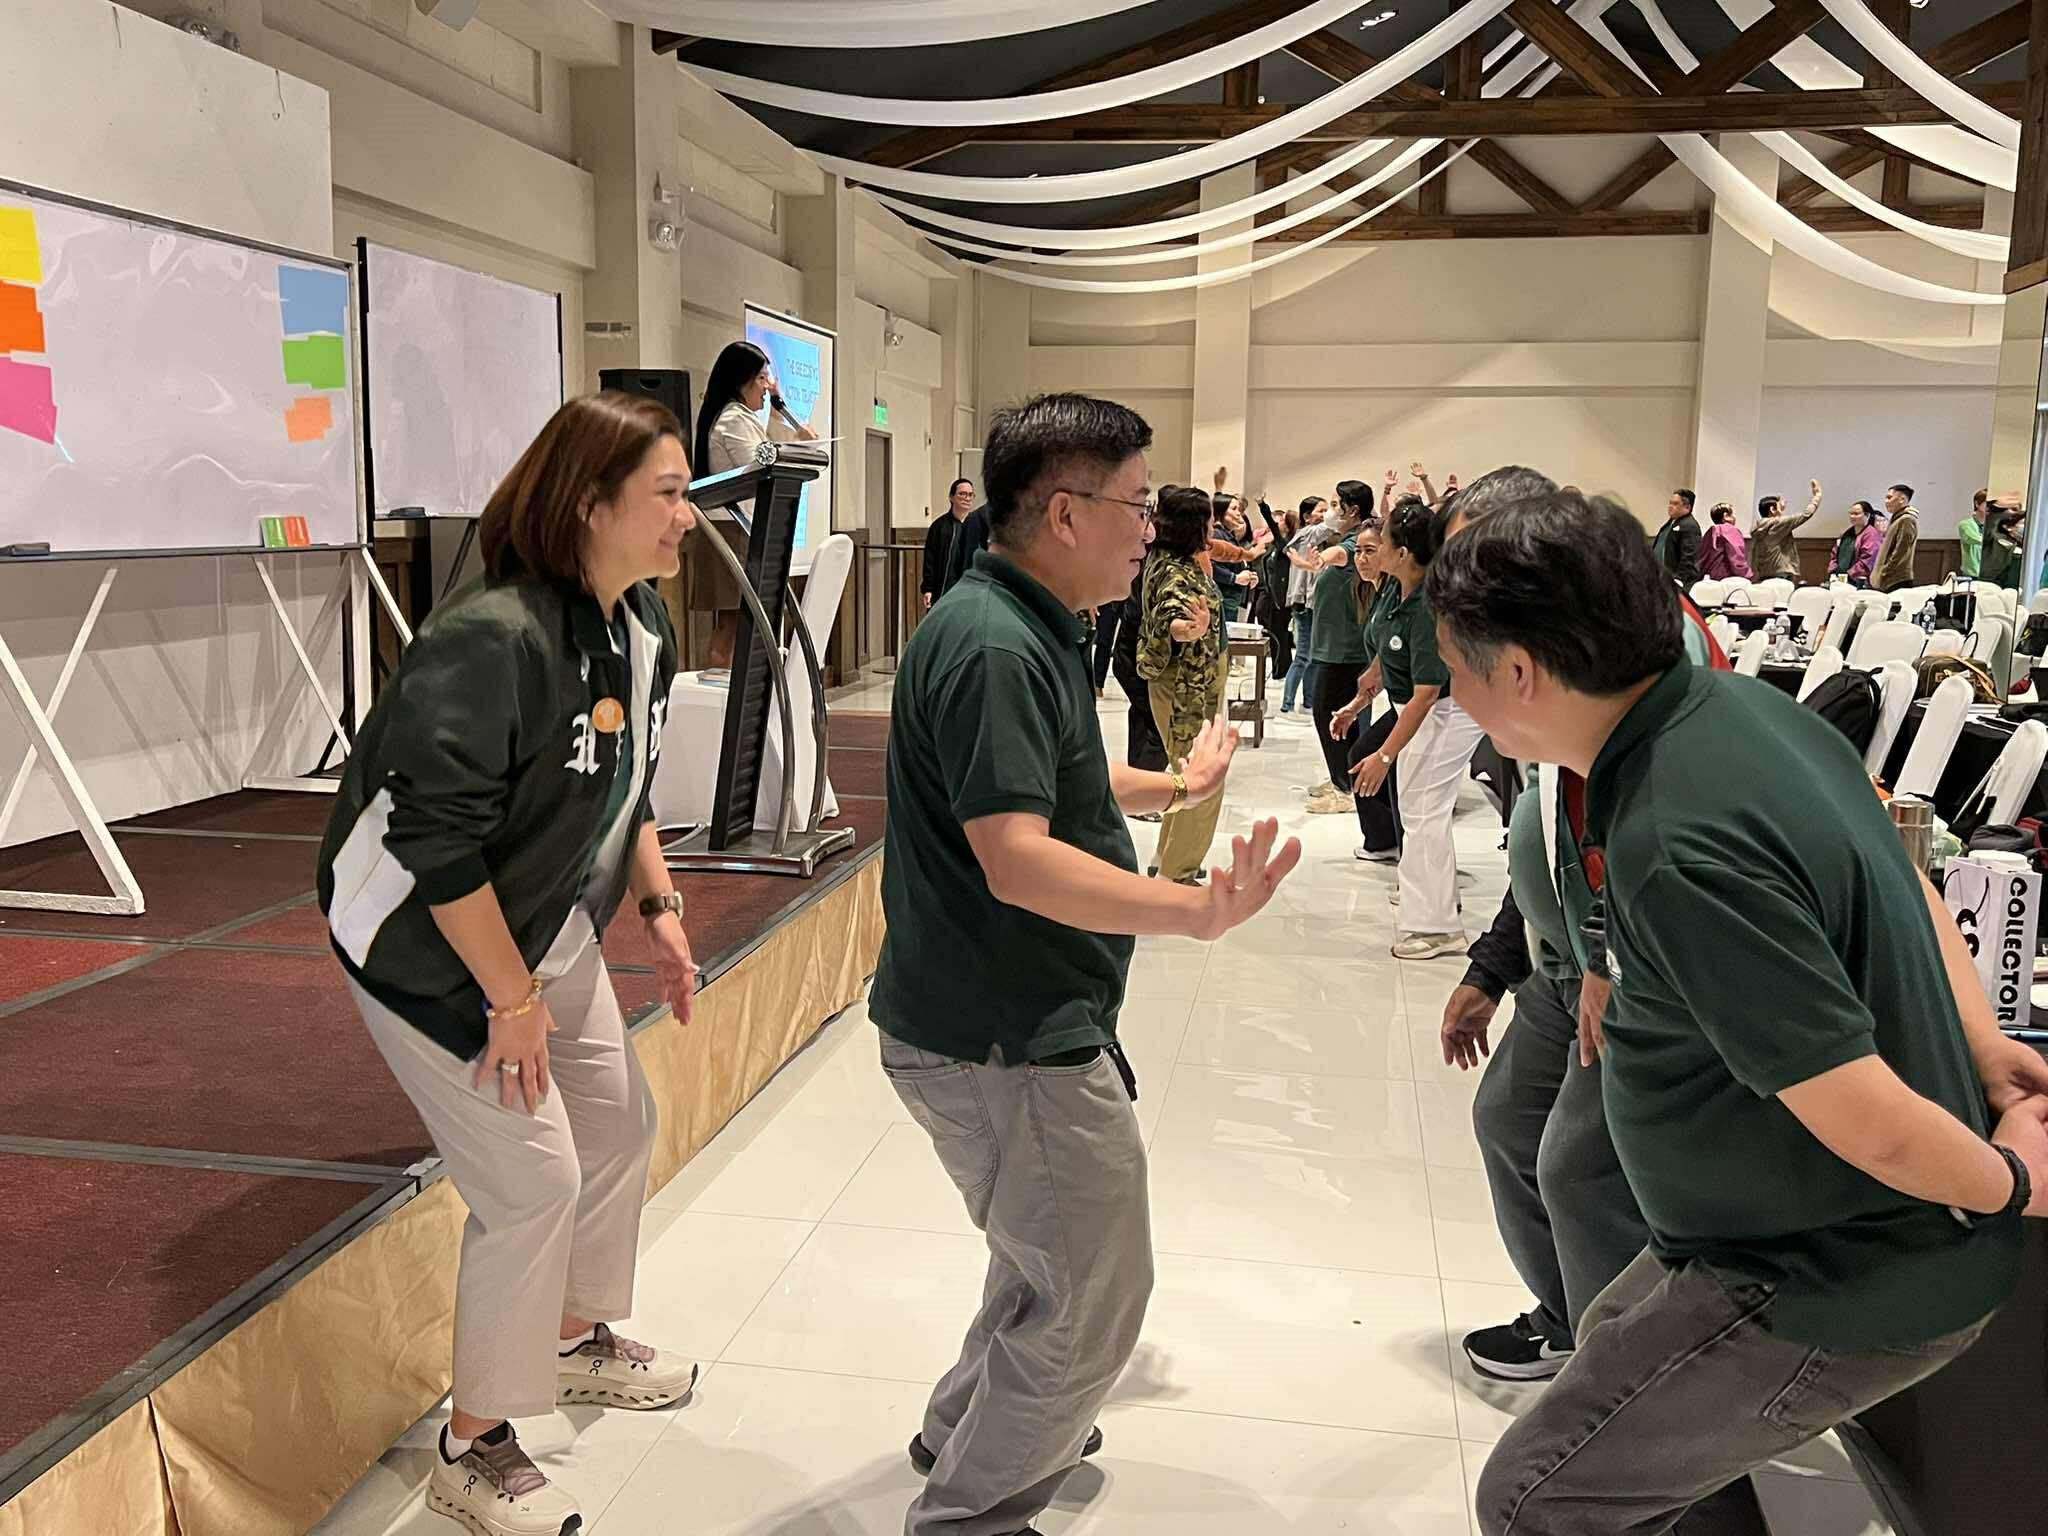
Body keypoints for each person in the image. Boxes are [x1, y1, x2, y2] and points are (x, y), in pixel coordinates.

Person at [1428, 488, 2048, 1536]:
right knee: (1607, 1368)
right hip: (1757, 1232)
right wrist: (1985, 1046)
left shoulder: (1676, 838)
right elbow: (1909, 883)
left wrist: (2011, 1183)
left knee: (1540, 1497)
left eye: (1457, 666)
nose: (1453, 691)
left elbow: (1856, 1109)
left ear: (1520, 672)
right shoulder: (1743, 712)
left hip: (1825, 1268)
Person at [869, 392, 1300, 1536]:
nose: (1148, 532)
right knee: (1093, 1298)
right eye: (1133, 506)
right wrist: (1193, 911)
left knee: (1043, 1262)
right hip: (1003, 1028)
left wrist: (1172, 786)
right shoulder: (995, 642)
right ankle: (972, 1512)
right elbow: (1014, 857)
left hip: (993, 1015)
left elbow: (1046, 773)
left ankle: (966, 1430)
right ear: (1063, 514)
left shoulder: (1018, 618)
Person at [318, 393, 704, 1536]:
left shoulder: (639, 623)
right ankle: (470, 1446)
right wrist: (511, 999)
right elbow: (434, 844)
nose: (687, 519)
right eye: (667, 495)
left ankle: (572, 1336)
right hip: (422, 941)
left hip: (538, 918)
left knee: (618, 1123)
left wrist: (660, 908)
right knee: (532, 1183)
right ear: (589, 504)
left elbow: (628, 785)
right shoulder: (489, 639)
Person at [1434, 464, 1732, 1386]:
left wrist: (1609, 950)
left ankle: (1622, 1381)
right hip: (1560, 957)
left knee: (1581, 1168)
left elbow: (1651, 818)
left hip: (1627, 962)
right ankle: (1573, 1316)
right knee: (1507, 1124)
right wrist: (1493, 965)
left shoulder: (1642, 648)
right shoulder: (1539, 653)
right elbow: (1555, 828)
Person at [1330, 495, 1482, 959]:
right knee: (1420, 809)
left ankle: (1437, 927)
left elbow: (1427, 693)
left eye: (1381, 542)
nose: (1370, 549)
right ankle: (1434, 902)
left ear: (1402, 553)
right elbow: (1387, 649)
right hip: (1416, 706)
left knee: (1423, 810)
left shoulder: (1429, 608)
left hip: (1446, 712)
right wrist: (1360, 699)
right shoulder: (1397, 589)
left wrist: (1384, 755)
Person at [693, 341, 820, 667]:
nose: (768, 386)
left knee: (741, 623)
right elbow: (760, 468)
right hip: (730, 528)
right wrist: (799, 443)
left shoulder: (743, 418)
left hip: (742, 527)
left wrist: (779, 414)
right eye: (762, 378)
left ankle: (733, 688)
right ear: (742, 380)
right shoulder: (732, 419)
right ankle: (722, 690)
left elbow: (765, 452)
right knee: (731, 624)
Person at [1139, 487, 1230, 884]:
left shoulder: (1171, 557)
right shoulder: (1175, 572)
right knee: (1203, 778)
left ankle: (1167, 855)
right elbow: (1173, 616)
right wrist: (1187, 629)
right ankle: (1178, 873)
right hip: (1185, 690)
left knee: (1184, 770)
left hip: (1193, 684)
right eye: (1208, 519)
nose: (1214, 524)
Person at [1304, 482, 1374, 811]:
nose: (1331, 511)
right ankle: (1341, 779)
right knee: (1335, 716)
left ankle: (1344, 790)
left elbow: (1341, 555)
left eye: (1336, 504)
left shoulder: (1356, 542)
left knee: (1330, 715)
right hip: (1334, 645)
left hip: (1344, 648)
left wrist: (1320, 559)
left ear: (1353, 510)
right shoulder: (1349, 537)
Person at [1280, 495, 1334, 714]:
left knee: (1311, 656)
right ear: (1307, 516)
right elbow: (1332, 525)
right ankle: (1288, 703)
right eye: (1321, 510)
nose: (1326, 514)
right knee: (1303, 656)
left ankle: (1308, 701)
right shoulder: (1309, 533)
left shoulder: (1308, 536)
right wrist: (1339, 508)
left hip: (1309, 603)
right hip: (1304, 603)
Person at [1747, 481, 1822, 582]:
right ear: (1772, 509)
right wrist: (1817, 496)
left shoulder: (1759, 527)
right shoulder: (1778, 524)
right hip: (1781, 574)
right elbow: (1806, 514)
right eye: (1778, 506)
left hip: (1764, 573)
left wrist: (1779, 508)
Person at [924, 478, 975, 612]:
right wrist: (928, 588)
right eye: (962, 494)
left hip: (970, 590)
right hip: (944, 587)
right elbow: (930, 559)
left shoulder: (978, 526)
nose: (967, 498)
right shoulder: (939, 526)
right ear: (951, 497)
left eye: (970, 495)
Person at [1873, 481, 1921, 592]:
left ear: (1902, 499)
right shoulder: (1897, 518)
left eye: (1889, 498)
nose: (1886, 501)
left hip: (1897, 579)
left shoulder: (1907, 520)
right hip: (1890, 578)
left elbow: (1901, 552)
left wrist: (1884, 571)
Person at [1649, 489, 1701, 589]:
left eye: (1675, 504)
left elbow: (1689, 558)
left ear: (1687, 507)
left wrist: (1678, 580)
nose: (1670, 506)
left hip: (1675, 583)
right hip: (1661, 579)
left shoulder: (1690, 526)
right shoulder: (1672, 523)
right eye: (1670, 503)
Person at [1697, 502, 1751, 582]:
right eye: (1733, 514)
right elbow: (1737, 556)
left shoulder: (1711, 531)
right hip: (1727, 578)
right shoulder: (1730, 530)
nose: (1735, 517)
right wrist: (1748, 575)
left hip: (1711, 577)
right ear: (1726, 516)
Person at [1847, 499, 1886, 587]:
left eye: (1856, 514)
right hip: (1844, 577)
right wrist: (1834, 571)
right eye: (1851, 513)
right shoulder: (1847, 534)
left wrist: (1848, 574)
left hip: (1862, 581)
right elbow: (1836, 553)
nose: (1852, 516)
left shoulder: (1872, 534)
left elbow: (1868, 560)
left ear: (1867, 515)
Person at [1958, 487, 1991, 578]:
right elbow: (1972, 538)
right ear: (1977, 504)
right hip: (1972, 574)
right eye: (1987, 503)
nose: (1990, 507)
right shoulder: (1965, 524)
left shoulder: (1993, 525)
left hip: (1990, 574)